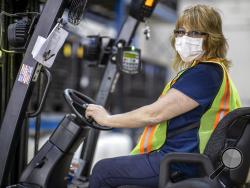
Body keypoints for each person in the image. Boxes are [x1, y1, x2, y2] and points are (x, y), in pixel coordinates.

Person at [85, 4, 241, 188]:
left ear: (211, 38)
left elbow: (154, 114)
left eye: (194, 33)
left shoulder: (205, 73)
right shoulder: (210, 72)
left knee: (103, 170)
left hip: (180, 162)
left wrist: (107, 119)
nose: (184, 38)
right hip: (187, 158)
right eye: (181, 32)